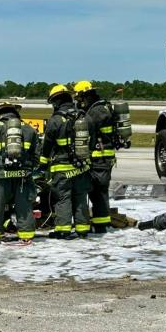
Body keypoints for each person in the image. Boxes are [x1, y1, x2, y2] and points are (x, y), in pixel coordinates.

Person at [40, 84, 91, 238]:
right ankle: (83, 230)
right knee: (80, 197)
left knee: (63, 198)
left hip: (62, 168)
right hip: (81, 167)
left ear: (56, 102)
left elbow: (47, 145)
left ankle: (63, 230)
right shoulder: (83, 116)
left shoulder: (55, 120)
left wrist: (43, 164)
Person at [0, 102, 38, 242]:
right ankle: (26, 235)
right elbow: (36, 155)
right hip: (23, 176)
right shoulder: (29, 129)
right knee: (24, 205)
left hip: (1, 176)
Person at [73, 80, 115, 233]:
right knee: (99, 193)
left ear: (86, 96)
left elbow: (88, 129)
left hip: (99, 159)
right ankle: (101, 223)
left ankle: (101, 225)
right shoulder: (101, 107)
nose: (79, 102)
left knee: (98, 193)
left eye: (80, 99)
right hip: (103, 158)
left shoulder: (96, 112)